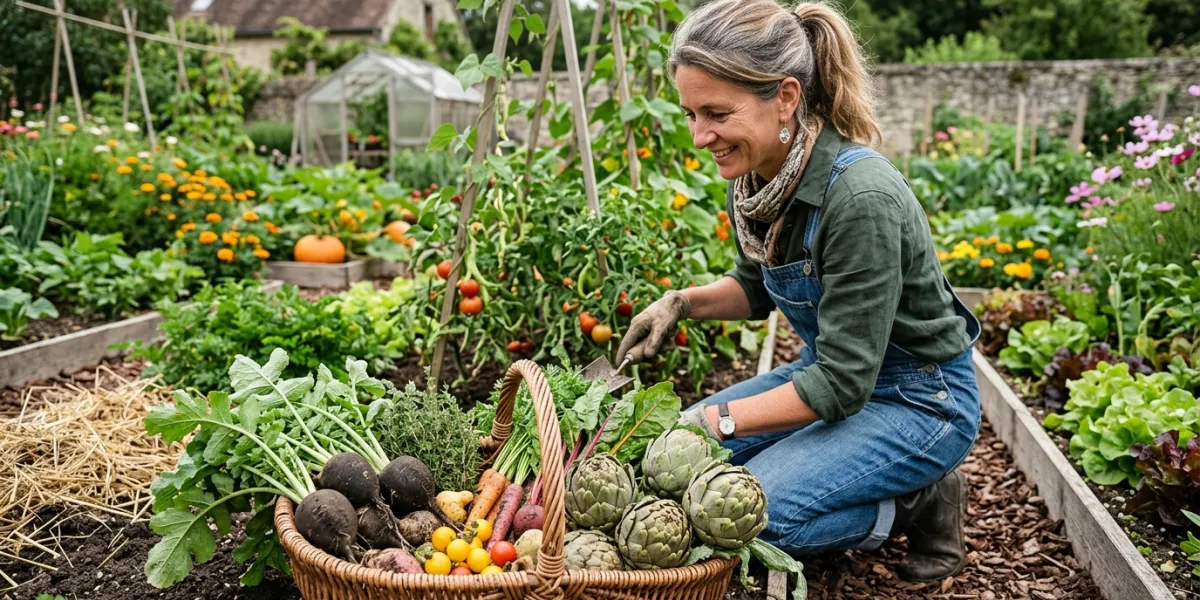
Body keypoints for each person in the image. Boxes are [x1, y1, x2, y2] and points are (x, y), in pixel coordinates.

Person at [615, 0, 983, 582]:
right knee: (667, 465)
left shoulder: (860, 198)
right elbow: (756, 287)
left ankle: (918, 502)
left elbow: (841, 381)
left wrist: (720, 422)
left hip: (919, 401)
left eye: (716, 113)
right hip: (830, 381)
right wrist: (681, 303)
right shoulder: (763, 176)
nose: (699, 135)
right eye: (690, 114)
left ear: (785, 97)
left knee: (745, 519)